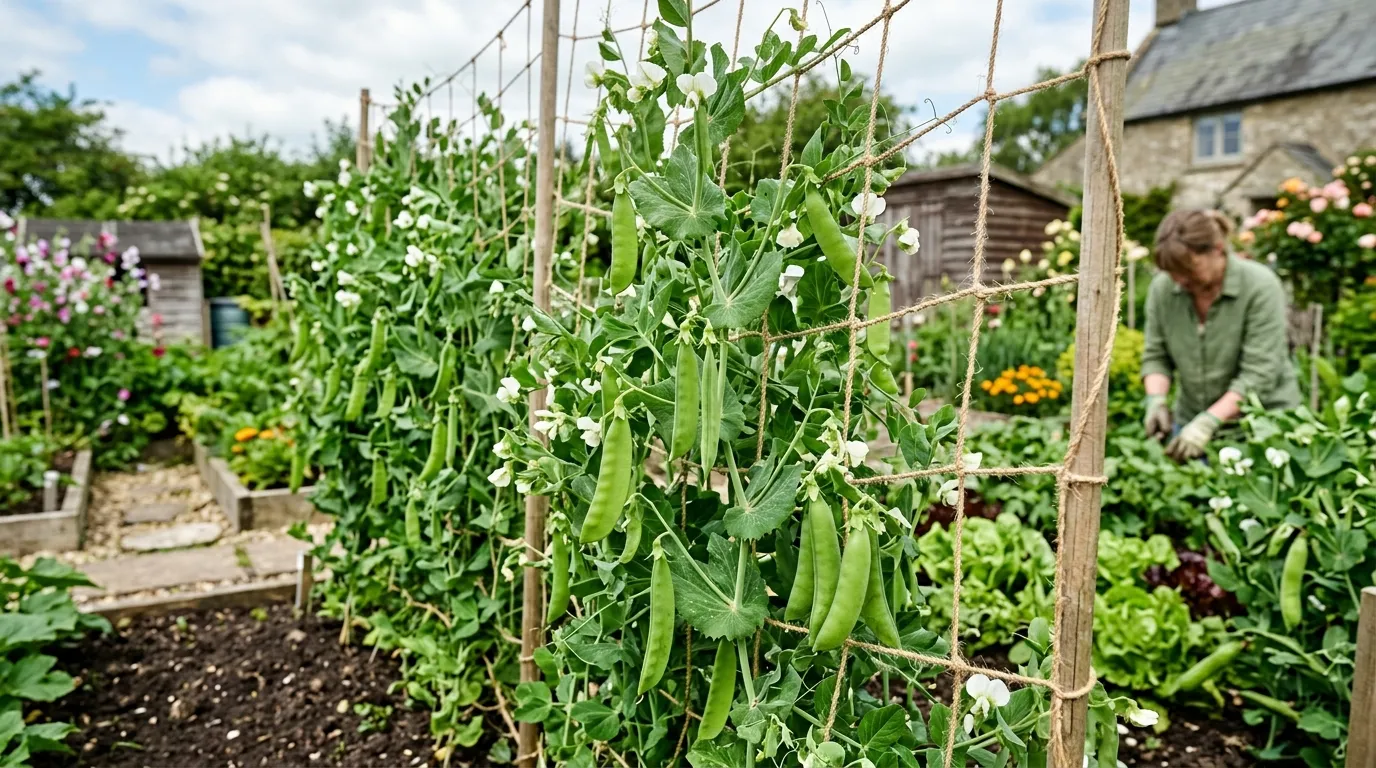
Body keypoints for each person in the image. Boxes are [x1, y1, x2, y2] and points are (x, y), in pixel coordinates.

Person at [1141, 209, 1300, 460]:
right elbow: (1156, 355)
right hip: (1191, 424)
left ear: (1217, 249)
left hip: (1262, 428)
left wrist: (1209, 421)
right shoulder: (1164, 289)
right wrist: (1156, 401)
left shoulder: (1260, 286)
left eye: (1187, 268)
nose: (1179, 280)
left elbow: (1259, 373)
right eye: (1172, 271)